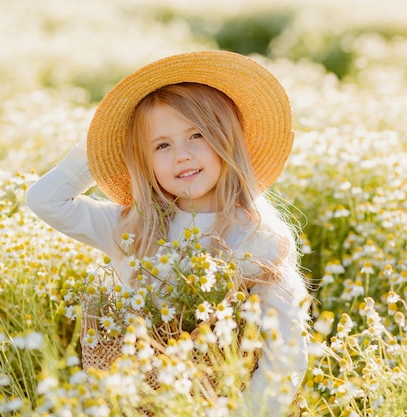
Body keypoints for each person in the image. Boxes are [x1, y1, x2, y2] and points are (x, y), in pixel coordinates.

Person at [26, 50, 310, 416]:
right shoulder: (133, 229)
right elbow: (46, 200)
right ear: (144, 161)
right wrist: (99, 143)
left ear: (228, 141)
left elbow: (284, 356)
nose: (181, 155)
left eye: (197, 135)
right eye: (161, 145)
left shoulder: (257, 238)